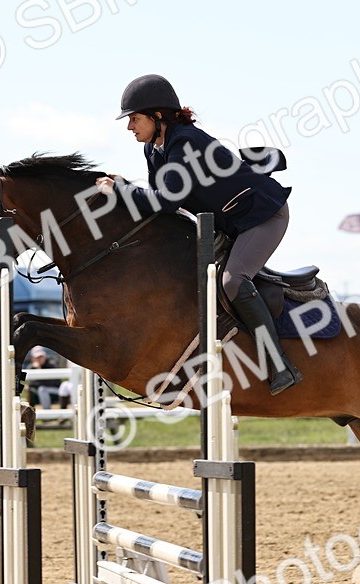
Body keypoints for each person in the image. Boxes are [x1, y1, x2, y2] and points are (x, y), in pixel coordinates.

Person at [97, 74, 302, 396]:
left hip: (263, 217)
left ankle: (279, 364)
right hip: (231, 222)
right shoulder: (155, 148)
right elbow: (157, 200)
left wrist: (121, 189)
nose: (129, 127)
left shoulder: (187, 142)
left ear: (157, 116)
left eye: (134, 119)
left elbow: (166, 202)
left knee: (233, 282)